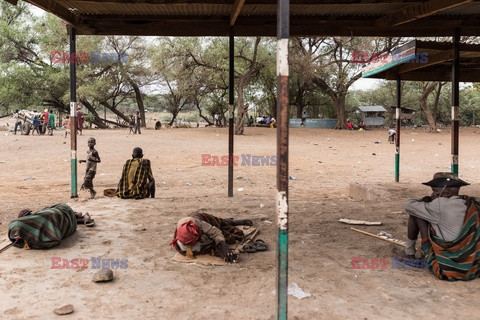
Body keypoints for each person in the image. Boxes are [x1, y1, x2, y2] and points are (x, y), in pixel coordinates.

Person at [396, 172, 480, 280]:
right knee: (424, 212)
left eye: (435, 191)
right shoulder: (469, 203)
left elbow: (409, 205)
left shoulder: (439, 205)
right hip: (472, 265)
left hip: (449, 266)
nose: (433, 193)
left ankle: (409, 253)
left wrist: (426, 199)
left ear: (447, 191)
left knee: (416, 214)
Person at [170, 212, 253, 263]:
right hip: (200, 234)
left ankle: (233, 221)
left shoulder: (196, 223)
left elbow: (215, 232)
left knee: (221, 224)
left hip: (203, 219)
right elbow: (202, 247)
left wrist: (223, 245)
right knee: (223, 239)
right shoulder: (182, 243)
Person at [8, 203, 94, 250]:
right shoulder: (39, 228)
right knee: (63, 217)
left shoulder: (41, 219)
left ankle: (76, 216)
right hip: (62, 216)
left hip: (60, 211)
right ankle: (77, 216)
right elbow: (52, 238)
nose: (15, 237)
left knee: (59, 214)